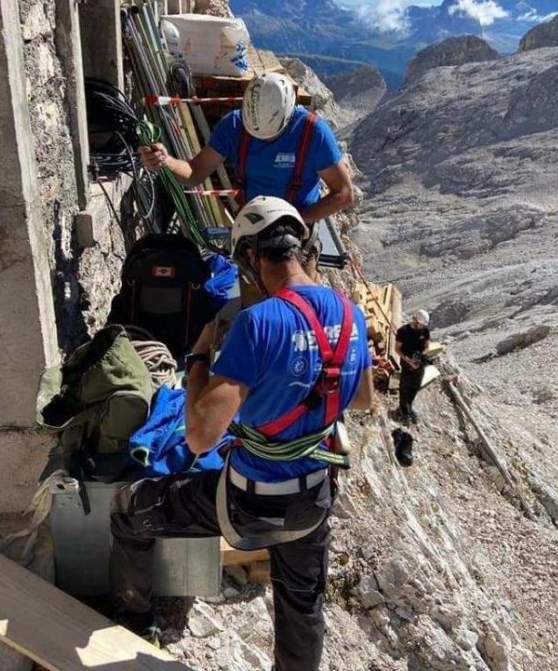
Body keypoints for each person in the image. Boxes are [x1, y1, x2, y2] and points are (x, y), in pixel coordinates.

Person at [110, 196, 373, 669]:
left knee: (130, 508)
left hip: (249, 501)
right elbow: (362, 398)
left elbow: (199, 438)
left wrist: (197, 360)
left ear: (251, 258)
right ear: (303, 244)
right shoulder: (351, 313)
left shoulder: (257, 323)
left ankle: (137, 618)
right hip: (313, 499)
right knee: (302, 604)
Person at [139, 71, 354, 224]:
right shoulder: (234, 126)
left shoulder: (313, 133)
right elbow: (195, 172)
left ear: (288, 116)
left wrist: (298, 219)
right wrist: (166, 162)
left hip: (298, 228)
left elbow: (343, 193)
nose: (264, 141)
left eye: (272, 136)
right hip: (253, 224)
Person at [394, 309, 431, 425]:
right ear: (415, 320)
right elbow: (397, 349)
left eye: (423, 325)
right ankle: (403, 410)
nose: (421, 327)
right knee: (405, 387)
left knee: (416, 385)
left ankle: (409, 406)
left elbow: (426, 346)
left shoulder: (425, 331)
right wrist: (408, 360)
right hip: (406, 361)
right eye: (420, 324)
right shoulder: (403, 331)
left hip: (419, 362)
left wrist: (422, 355)